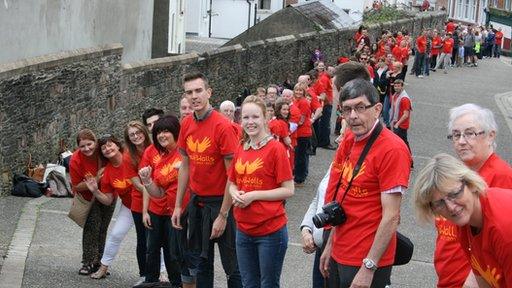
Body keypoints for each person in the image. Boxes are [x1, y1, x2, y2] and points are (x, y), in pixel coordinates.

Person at [319, 78, 412, 287]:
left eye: (360, 108)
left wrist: (369, 267)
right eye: (347, 109)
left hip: (365, 258)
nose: (353, 116)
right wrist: (329, 245)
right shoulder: (350, 140)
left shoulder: (392, 149)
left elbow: (391, 216)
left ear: (377, 109)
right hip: (340, 249)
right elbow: (342, 197)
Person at [171, 72, 242, 288]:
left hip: (222, 203)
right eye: (189, 92)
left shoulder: (222, 126)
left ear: (209, 92)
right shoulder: (186, 124)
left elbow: (233, 176)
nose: (194, 96)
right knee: (201, 264)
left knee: (234, 268)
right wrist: (177, 206)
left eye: (198, 90)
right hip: (198, 204)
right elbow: (185, 165)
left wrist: (223, 215)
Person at [432, 103, 512, 288]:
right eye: (456, 134)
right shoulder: (455, 178)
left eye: (470, 133)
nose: (461, 141)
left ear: (491, 135)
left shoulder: (502, 177)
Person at [413, 153, 512, 288]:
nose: (451, 207)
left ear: (470, 184)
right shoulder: (465, 223)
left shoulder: (503, 228)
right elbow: (483, 279)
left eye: (454, 194)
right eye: (439, 203)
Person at [227, 95, 294, 288]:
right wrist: (235, 194)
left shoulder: (276, 149)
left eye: (255, 117)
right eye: (246, 118)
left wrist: (253, 196)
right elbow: (232, 182)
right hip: (243, 229)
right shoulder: (241, 147)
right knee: (249, 284)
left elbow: (288, 190)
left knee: (268, 285)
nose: (250, 122)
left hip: (270, 231)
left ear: (265, 118)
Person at [89, 122, 151, 283]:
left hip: (151, 202)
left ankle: (162, 273)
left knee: (155, 238)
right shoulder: (108, 172)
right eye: (104, 148)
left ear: (117, 145)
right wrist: (95, 191)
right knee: (116, 234)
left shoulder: (130, 156)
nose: (108, 149)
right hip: (130, 207)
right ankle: (104, 267)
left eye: (110, 145)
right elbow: (108, 200)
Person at [138, 115, 194, 287]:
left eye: (166, 131)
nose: (161, 135)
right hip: (168, 211)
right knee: (170, 253)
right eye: (158, 133)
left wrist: (187, 169)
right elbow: (159, 192)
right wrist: (147, 181)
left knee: (184, 257)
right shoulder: (161, 158)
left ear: (176, 132)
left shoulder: (186, 152)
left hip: (187, 213)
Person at [69, 129, 115, 276]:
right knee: (91, 228)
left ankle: (100, 263)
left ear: (95, 142)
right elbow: (76, 185)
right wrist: (96, 179)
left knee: (103, 228)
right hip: (89, 197)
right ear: (78, 147)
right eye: (82, 146)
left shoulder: (102, 152)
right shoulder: (75, 160)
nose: (87, 148)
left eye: (89, 144)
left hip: (108, 194)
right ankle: (88, 262)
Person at [292, 83, 313, 186]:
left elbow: (301, 120)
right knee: (297, 155)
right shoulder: (296, 101)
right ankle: (297, 176)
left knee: (300, 156)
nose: (298, 92)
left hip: (303, 132)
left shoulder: (304, 102)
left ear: (304, 92)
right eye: (297, 90)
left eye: (300, 90)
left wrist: (289, 124)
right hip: (297, 132)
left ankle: (300, 179)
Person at [389, 79, 412, 153]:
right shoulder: (395, 95)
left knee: (403, 142)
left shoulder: (404, 99)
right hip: (396, 122)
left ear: (402, 87)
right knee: (399, 141)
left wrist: (397, 124)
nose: (396, 88)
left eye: (398, 86)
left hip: (401, 125)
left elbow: (406, 115)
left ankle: (409, 157)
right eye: (395, 86)